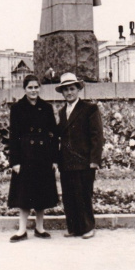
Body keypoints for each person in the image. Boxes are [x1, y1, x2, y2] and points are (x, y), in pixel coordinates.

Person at [8, 74, 58, 242]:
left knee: (41, 192)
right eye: (30, 87)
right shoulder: (17, 108)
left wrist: (54, 159)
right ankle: (22, 230)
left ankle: (39, 227)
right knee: (24, 194)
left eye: (36, 87)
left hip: (43, 156)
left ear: (40, 88)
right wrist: (14, 161)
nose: (33, 90)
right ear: (24, 89)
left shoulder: (46, 108)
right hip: (25, 156)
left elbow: (53, 135)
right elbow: (13, 136)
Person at [56, 72, 104, 239]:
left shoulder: (89, 109)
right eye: (66, 90)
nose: (69, 93)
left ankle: (88, 227)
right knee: (69, 195)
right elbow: (60, 136)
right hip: (66, 161)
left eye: (72, 89)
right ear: (62, 92)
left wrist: (94, 160)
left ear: (78, 90)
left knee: (84, 194)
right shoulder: (62, 112)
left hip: (84, 161)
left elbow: (97, 136)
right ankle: (74, 228)